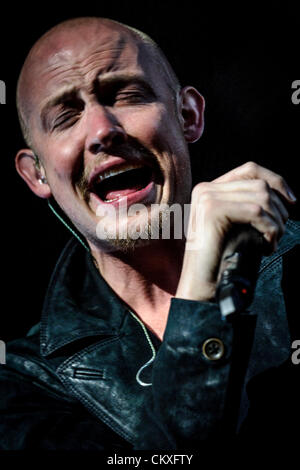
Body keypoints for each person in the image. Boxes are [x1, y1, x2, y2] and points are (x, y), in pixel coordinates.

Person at [0, 16, 299, 450]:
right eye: (66, 117)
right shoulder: (23, 383)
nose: (102, 131)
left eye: (127, 95)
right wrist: (201, 296)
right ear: (37, 174)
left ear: (189, 115)